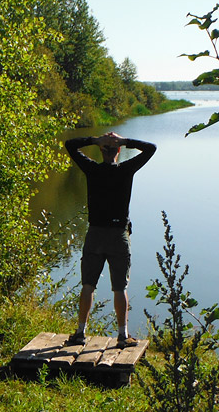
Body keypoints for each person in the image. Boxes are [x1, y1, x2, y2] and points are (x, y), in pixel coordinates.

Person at [64, 132, 156, 348]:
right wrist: (124, 141)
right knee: (119, 288)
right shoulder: (126, 169)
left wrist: (94, 140)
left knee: (88, 285)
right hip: (117, 235)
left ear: (101, 151)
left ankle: (80, 333)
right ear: (119, 151)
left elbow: (70, 145)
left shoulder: (92, 169)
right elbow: (151, 148)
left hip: (95, 234)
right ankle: (123, 336)